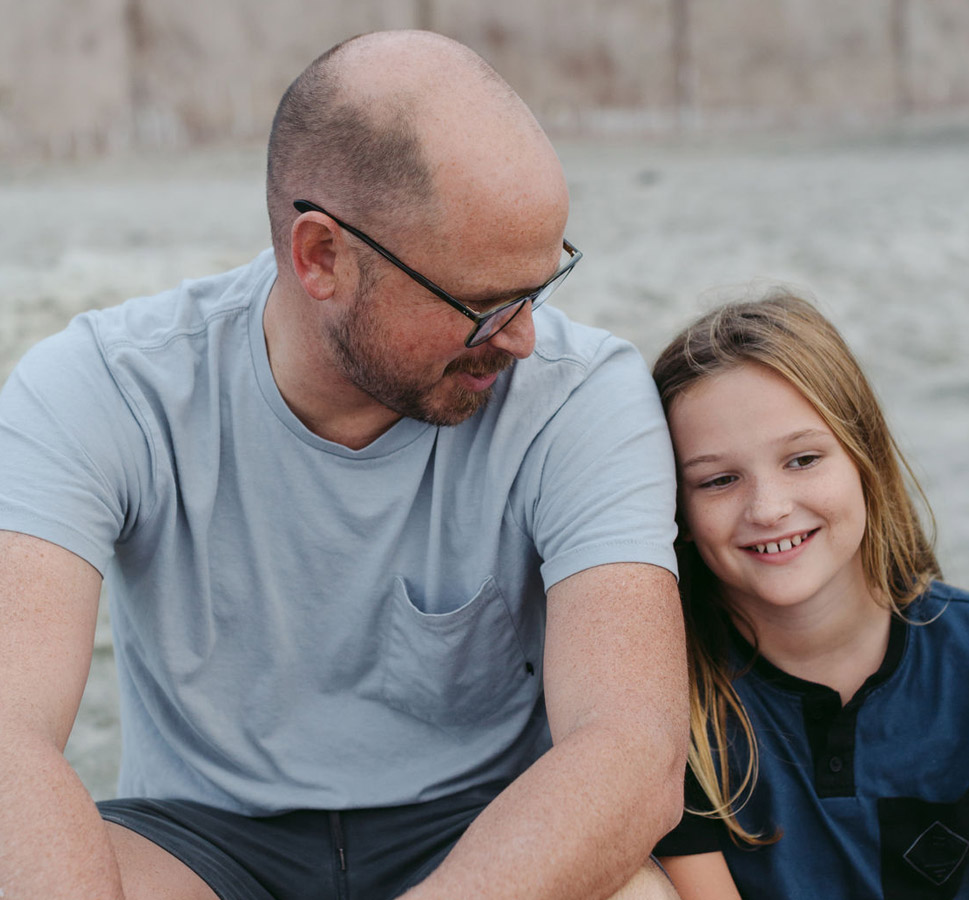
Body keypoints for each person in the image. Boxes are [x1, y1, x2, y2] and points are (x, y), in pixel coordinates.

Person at [0, 29, 688, 900]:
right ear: (320, 256)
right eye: (482, 304)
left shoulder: (579, 394)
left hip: (482, 830)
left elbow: (633, 744)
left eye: (541, 287)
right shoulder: (101, 387)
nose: (522, 335)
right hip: (200, 843)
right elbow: (8, 734)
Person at [648, 291, 969, 898]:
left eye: (803, 459)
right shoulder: (669, 698)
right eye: (719, 480)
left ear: (864, 457)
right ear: (676, 507)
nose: (769, 508)